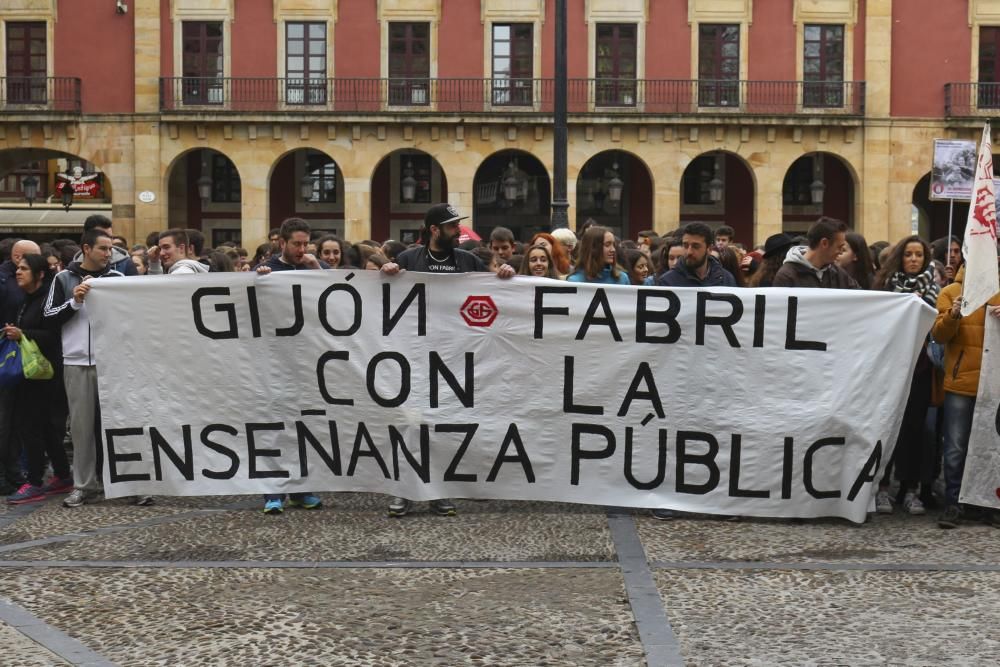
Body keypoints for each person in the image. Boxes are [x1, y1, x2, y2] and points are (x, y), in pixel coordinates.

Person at [380, 203, 515, 517]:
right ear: (434, 230)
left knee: (440, 427)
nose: (459, 231)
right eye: (452, 226)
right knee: (409, 425)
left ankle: (437, 491)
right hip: (412, 357)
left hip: (453, 358)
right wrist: (387, 273)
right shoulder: (409, 259)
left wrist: (505, 274)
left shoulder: (467, 260)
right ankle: (404, 491)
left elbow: (496, 293)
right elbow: (385, 296)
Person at [44, 229, 148, 507]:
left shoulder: (117, 279)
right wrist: (75, 301)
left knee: (120, 425)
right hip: (77, 362)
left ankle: (129, 484)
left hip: (113, 363)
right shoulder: (63, 279)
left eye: (110, 249)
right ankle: (84, 486)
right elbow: (49, 317)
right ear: (86, 248)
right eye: (103, 248)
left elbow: (133, 316)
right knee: (80, 428)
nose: (108, 254)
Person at [254, 218, 328, 514]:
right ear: (281, 243)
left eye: (305, 244)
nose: (301, 249)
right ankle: (273, 491)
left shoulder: (313, 267)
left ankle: (301, 488)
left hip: (307, 360)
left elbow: (334, 299)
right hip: (273, 361)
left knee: (305, 426)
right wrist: (257, 279)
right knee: (274, 427)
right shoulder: (268, 270)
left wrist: (316, 269)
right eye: (296, 244)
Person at [871, 236, 941, 515]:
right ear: (900, 257)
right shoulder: (885, 288)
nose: (914, 259)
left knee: (915, 430)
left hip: (920, 369)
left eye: (919, 255)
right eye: (909, 254)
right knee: (888, 428)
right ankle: (883, 487)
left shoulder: (935, 290)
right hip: (890, 369)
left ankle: (910, 489)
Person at [932, 254, 1000, 529]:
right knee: (956, 447)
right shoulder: (950, 293)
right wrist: (953, 315)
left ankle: (988, 503)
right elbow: (938, 335)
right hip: (961, 383)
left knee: (991, 447)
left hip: (994, 383)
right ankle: (954, 503)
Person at [4, 254, 73, 503]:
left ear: (40, 274)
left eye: (24, 269)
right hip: (31, 373)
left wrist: (22, 333)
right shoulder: (26, 299)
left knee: (30, 427)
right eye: (17, 268)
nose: (18, 272)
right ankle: (63, 475)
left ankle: (34, 481)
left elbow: (54, 336)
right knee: (43, 427)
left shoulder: (47, 299)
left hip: (45, 374)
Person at [0, 239, 41, 493]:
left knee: (14, 420)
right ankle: (9, 475)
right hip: (7, 358)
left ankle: (14, 472)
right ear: (18, 257)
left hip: (18, 358)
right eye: (33, 258)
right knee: (6, 420)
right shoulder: (7, 283)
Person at [772, 218, 859, 289]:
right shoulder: (787, 276)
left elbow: (860, 295)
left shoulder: (837, 272)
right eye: (839, 247)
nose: (840, 252)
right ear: (824, 243)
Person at [657, 222, 736, 288]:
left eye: (696, 246)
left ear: (709, 249)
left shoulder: (726, 279)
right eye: (685, 245)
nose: (689, 252)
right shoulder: (667, 281)